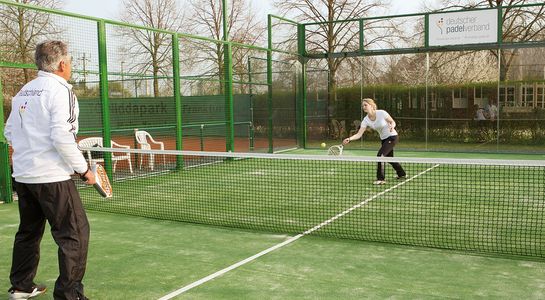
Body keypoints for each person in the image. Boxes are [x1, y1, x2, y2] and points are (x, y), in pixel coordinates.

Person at [4, 41, 95, 300]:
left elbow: (9, 131)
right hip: (53, 178)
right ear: (62, 64)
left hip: (24, 176)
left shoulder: (24, 91)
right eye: (71, 61)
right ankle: (69, 295)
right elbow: (61, 136)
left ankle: (21, 286)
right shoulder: (61, 90)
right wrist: (84, 170)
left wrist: (29, 153)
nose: (71, 66)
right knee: (74, 235)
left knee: (28, 232)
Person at [343, 98, 406, 185]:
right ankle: (402, 174)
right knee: (389, 158)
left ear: (372, 106)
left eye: (365, 105)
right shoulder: (365, 120)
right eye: (362, 106)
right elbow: (359, 134)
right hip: (384, 139)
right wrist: (349, 139)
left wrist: (392, 126)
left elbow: (392, 121)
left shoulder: (381, 113)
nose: (363, 107)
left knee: (380, 156)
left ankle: (381, 179)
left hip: (392, 137)